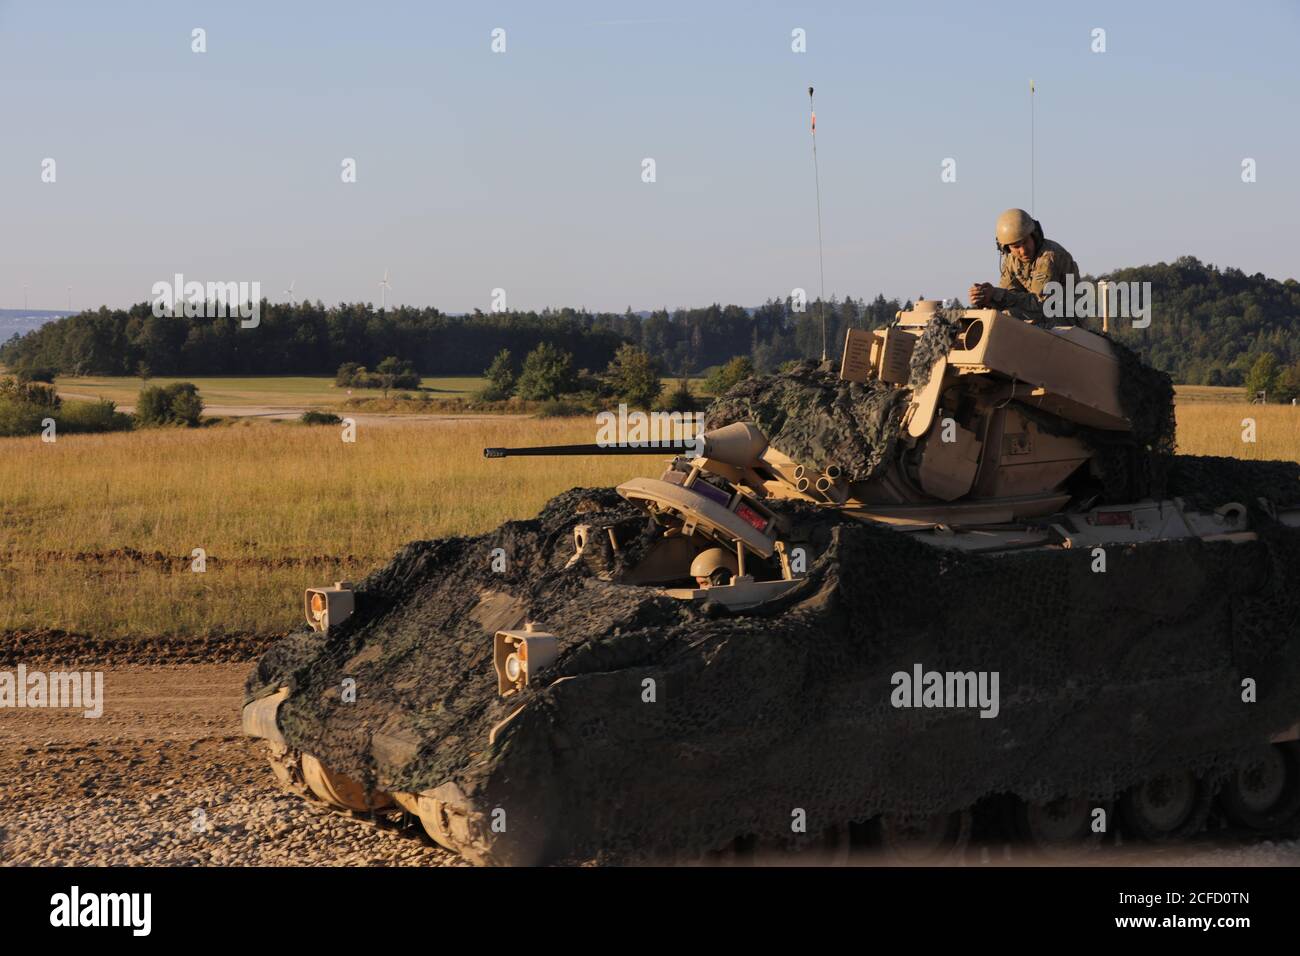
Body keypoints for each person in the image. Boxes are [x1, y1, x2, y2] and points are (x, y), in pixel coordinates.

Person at [968, 208, 1082, 326]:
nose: (1023, 251)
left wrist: (996, 294)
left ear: (1034, 235)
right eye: (1016, 246)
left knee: (1010, 316)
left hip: (1067, 317)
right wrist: (985, 298)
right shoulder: (1011, 260)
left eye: (1025, 242)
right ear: (1006, 248)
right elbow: (1009, 295)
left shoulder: (1048, 257)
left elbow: (1039, 304)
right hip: (1044, 314)